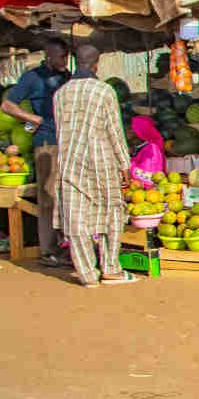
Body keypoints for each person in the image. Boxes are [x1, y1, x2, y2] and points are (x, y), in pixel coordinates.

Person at [53, 45, 136, 287]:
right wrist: (124, 165)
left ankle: (87, 273)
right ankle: (111, 267)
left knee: (76, 218)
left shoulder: (60, 94)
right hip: (102, 160)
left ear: (75, 62)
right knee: (112, 212)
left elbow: (60, 132)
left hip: (69, 161)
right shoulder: (104, 92)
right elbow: (115, 131)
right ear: (96, 64)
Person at [0, 37, 71, 268]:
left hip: (68, 141)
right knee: (48, 196)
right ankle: (48, 250)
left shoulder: (66, 77)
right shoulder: (32, 77)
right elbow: (8, 105)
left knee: (65, 195)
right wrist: (33, 119)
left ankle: (65, 246)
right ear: (48, 55)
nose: (64, 61)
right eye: (61, 56)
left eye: (67, 56)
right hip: (46, 143)